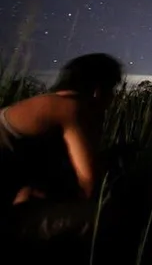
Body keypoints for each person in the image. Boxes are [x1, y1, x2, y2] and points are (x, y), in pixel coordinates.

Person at [0, 53, 123, 246]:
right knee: (102, 215)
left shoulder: (49, 102)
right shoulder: (71, 108)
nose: (113, 98)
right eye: (113, 89)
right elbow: (89, 185)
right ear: (98, 90)